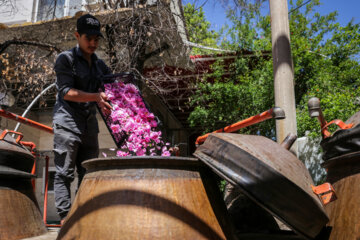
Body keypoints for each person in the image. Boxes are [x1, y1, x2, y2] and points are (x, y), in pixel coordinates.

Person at [53, 13, 112, 224]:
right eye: (89, 38)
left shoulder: (100, 65)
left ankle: (82, 218)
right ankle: (65, 220)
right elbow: (66, 92)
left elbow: (113, 86)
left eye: (97, 39)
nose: (94, 43)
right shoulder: (65, 59)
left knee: (88, 173)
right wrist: (97, 97)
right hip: (67, 121)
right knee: (64, 173)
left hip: (89, 124)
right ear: (77, 35)